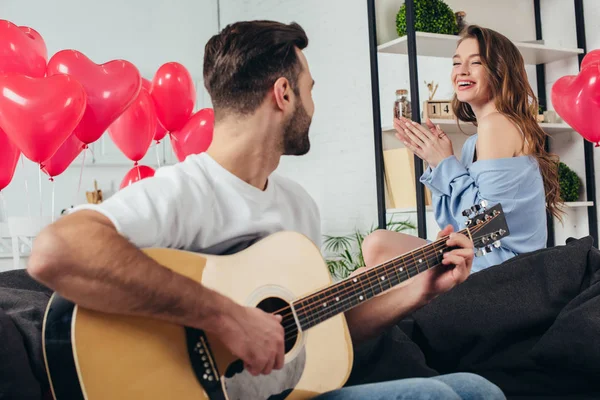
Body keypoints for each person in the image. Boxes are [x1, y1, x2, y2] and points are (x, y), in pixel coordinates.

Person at [27, 20, 503, 399]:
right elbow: (55, 251)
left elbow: (317, 330)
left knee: (473, 390)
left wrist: (416, 292)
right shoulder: (183, 190)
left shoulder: (297, 208)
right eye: (310, 89)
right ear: (283, 94)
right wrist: (225, 317)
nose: (313, 105)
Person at [364, 25, 561, 273]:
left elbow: (485, 231)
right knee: (377, 244)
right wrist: (437, 163)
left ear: (500, 71)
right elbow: (453, 226)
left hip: (504, 271)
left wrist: (446, 163)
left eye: (475, 63)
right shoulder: (474, 142)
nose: (462, 72)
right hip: (475, 257)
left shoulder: (497, 124)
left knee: (377, 255)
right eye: (457, 63)